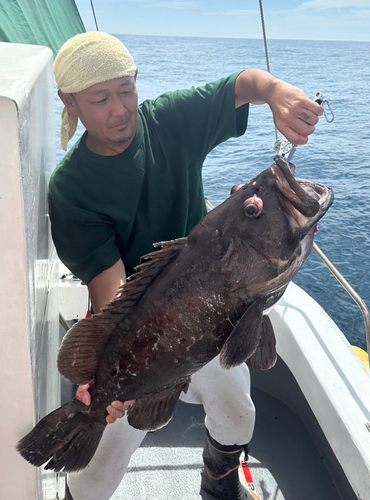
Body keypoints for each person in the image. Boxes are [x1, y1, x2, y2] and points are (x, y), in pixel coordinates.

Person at [50, 32, 323, 500]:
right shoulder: (70, 189)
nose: (119, 109)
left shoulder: (171, 120)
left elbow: (242, 85)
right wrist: (113, 382)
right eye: (99, 99)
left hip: (221, 314)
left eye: (126, 91)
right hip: (141, 335)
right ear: (69, 102)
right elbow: (112, 291)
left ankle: (218, 483)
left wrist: (277, 93)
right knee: (98, 471)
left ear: (137, 83)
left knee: (239, 411)